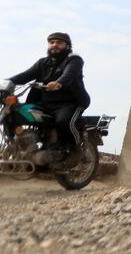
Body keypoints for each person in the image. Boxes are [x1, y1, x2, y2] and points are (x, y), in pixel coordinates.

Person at [10, 32, 91, 163]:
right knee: (16, 112)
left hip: (69, 103)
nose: (55, 45)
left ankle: (76, 149)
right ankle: (19, 147)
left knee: (63, 122)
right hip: (45, 103)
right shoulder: (43, 63)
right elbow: (25, 76)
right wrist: (4, 83)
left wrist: (59, 83)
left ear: (67, 46)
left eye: (59, 43)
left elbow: (69, 74)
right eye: (52, 42)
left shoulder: (74, 60)